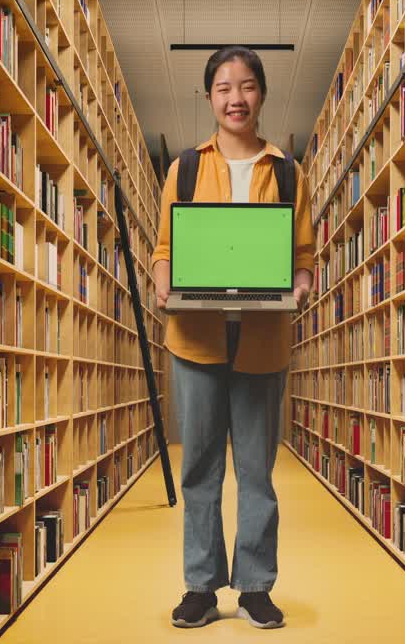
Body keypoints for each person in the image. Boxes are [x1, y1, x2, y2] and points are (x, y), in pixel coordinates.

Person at [151, 46, 315, 629]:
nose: (235, 98)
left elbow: (302, 257)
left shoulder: (289, 172)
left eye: (246, 86)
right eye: (223, 87)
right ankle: (200, 586)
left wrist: (299, 286)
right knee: (198, 467)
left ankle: (254, 587)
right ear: (210, 98)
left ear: (261, 94)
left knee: (255, 471)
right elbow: (166, 250)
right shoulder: (186, 169)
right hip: (195, 337)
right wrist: (164, 284)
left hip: (262, 339)